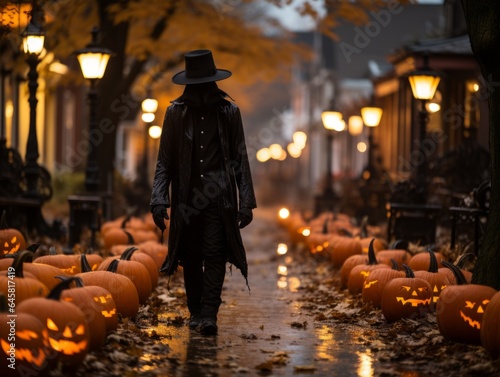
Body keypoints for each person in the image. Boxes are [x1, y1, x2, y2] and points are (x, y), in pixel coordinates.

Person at [150, 49, 257, 336]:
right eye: (194, 86)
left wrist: (246, 201)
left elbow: (239, 158)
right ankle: (196, 311)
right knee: (191, 256)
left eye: (203, 85)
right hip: (186, 198)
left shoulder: (229, 113)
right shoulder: (175, 113)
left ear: (212, 82)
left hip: (218, 199)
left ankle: (209, 313)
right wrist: (159, 198)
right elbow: (165, 161)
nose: (199, 92)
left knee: (214, 252)